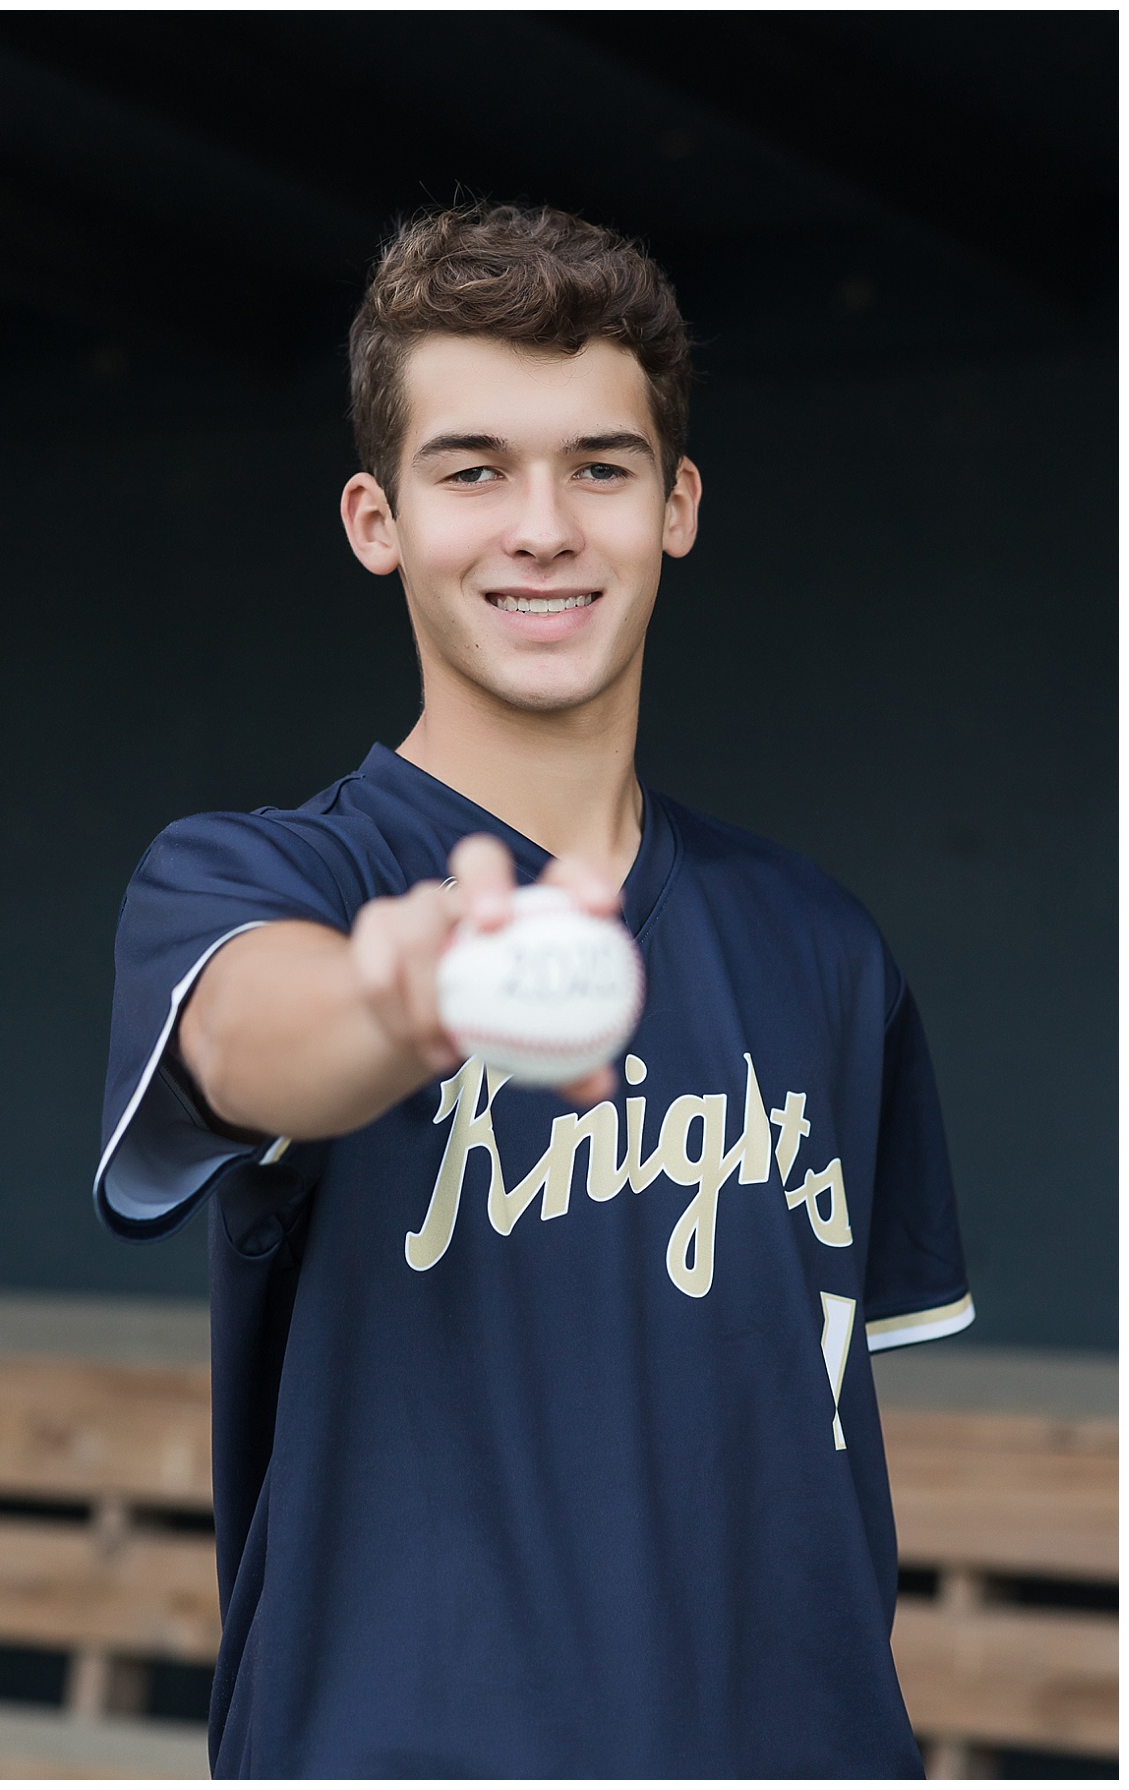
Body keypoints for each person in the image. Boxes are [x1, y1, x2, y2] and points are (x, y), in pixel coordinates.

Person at [96, 202, 974, 1779]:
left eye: (601, 466)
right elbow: (249, 1031)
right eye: (474, 468)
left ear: (677, 504)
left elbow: (818, 1445)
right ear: (377, 517)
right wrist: (398, 1008)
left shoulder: (825, 946)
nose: (544, 526)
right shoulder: (266, 880)